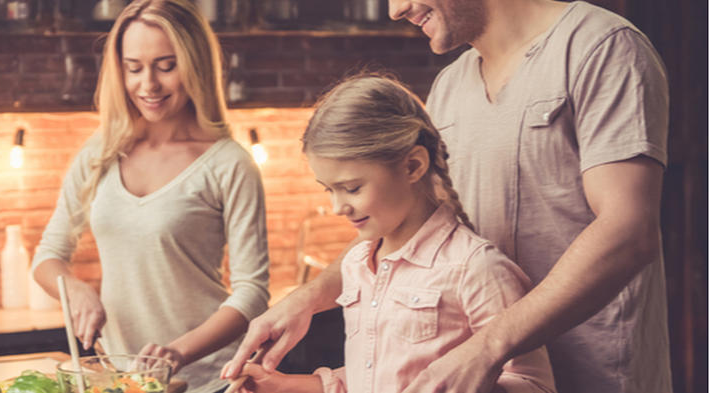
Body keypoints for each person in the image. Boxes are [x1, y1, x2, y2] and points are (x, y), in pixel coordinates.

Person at [222, 1, 671, 392]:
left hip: (598, 377)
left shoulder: (600, 47)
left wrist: (486, 348)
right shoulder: (450, 87)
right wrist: (309, 298)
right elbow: (412, 234)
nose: (395, 9)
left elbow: (627, 230)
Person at [228, 75, 558, 393]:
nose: (337, 207)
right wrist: (284, 386)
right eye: (329, 189)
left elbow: (533, 384)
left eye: (352, 188)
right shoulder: (356, 265)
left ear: (413, 166)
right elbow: (370, 380)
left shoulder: (476, 269)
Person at [31, 1, 270, 392]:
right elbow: (48, 256)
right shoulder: (100, 153)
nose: (148, 85)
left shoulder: (230, 163)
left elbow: (252, 293)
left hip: (210, 380)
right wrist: (74, 290)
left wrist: (177, 353)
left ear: (195, 64)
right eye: (134, 67)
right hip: (123, 379)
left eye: (166, 65)